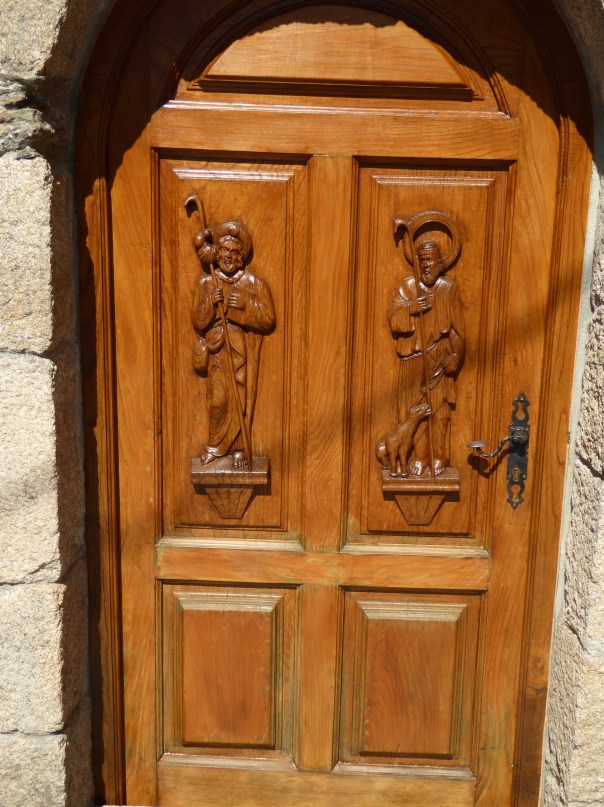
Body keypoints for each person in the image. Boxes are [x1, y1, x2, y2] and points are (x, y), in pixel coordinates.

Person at [191, 221, 275, 466]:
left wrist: (245, 306)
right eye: (224, 252)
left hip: (244, 352)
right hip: (219, 352)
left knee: (243, 398)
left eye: (233, 253)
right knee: (218, 401)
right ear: (216, 254)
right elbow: (197, 320)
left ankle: (238, 449)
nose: (228, 257)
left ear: (241, 257)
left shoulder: (253, 283)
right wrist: (210, 305)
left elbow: (268, 318)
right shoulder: (207, 283)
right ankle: (217, 448)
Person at [387, 239, 465, 476]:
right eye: (421, 261)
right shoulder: (408, 286)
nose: (425, 266)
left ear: (440, 264)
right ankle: (419, 458)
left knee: (439, 414)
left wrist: (456, 356)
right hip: (413, 361)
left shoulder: (448, 289)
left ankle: (439, 458)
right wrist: (411, 308)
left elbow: (457, 330)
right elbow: (393, 315)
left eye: (430, 260)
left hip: (439, 360)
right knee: (415, 412)